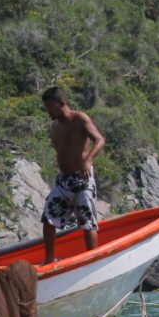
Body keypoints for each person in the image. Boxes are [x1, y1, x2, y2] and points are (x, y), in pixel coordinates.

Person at [40, 86, 106, 263]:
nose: (48, 112)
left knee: (86, 220)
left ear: (62, 103)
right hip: (64, 179)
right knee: (48, 218)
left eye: (50, 107)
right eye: (46, 108)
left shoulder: (80, 119)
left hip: (82, 177)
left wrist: (88, 160)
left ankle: (93, 260)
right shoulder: (55, 128)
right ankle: (49, 259)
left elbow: (99, 140)